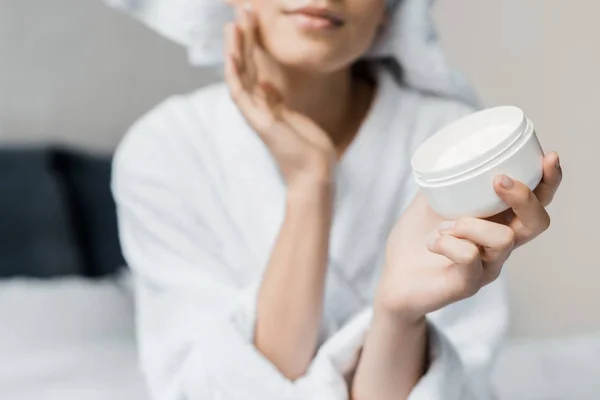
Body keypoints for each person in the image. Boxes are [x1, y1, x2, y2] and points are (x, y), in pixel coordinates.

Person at [110, 0, 563, 399]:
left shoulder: (446, 143)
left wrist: (397, 313)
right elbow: (216, 389)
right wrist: (311, 186)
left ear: (391, 9)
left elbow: (458, 381)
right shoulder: (163, 149)